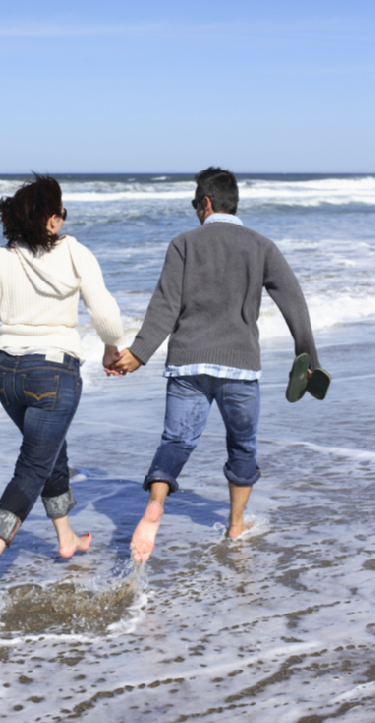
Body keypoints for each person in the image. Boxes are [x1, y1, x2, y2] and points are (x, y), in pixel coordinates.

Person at [0, 174, 125, 606]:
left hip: (7, 376)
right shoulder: (74, 252)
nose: (63, 219)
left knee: (50, 453)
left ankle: (67, 538)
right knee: (33, 467)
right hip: (54, 374)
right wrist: (113, 348)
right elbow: (106, 312)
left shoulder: (0, 259)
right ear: (52, 220)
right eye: (61, 212)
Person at [112, 167, 320, 562]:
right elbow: (294, 300)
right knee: (242, 444)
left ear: (206, 203)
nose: (194, 211)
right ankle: (236, 526)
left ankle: (155, 508)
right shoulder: (260, 246)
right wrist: (307, 355)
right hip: (240, 368)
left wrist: (139, 354)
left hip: (187, 364)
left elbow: (165, 306)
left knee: (175, 441)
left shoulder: (183, 244)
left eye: (195, 203)